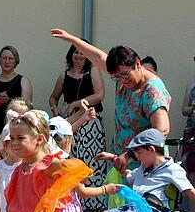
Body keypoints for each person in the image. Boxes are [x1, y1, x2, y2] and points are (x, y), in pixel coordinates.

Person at [50, 29, 171, 173]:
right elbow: (99, 57)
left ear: (138, 64)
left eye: (125, 75)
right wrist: (72, 39)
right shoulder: (121, 73)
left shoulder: (152, 91)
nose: (122, 81)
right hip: (119, 159)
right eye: (116, 77)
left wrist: (130, 155)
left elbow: (162, 130)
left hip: (144, 166)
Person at [48, 42, 108, 212]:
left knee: (92, 167)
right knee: (71, 164)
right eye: (76, 52)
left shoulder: (93, 71)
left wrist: (74, 103)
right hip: (68, 126)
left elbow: (99, 95)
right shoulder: (64, 75)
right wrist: (55, 110)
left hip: (90, 124)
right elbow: (53, 97)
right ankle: (74, 211)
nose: (79, 56)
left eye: (82, 53)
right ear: (70, 55)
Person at [0, 46, 34, 163]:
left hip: (15, 131)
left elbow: (27, 108)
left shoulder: (23, 81)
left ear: (16, 61)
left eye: (11, 58)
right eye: (4, 58)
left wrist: (10, 101)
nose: (7, 61)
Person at [181, 67, 195, 182]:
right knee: (190, 169)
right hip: (192, 130)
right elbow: (184, 110)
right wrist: (192, 107)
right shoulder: (192, 83)